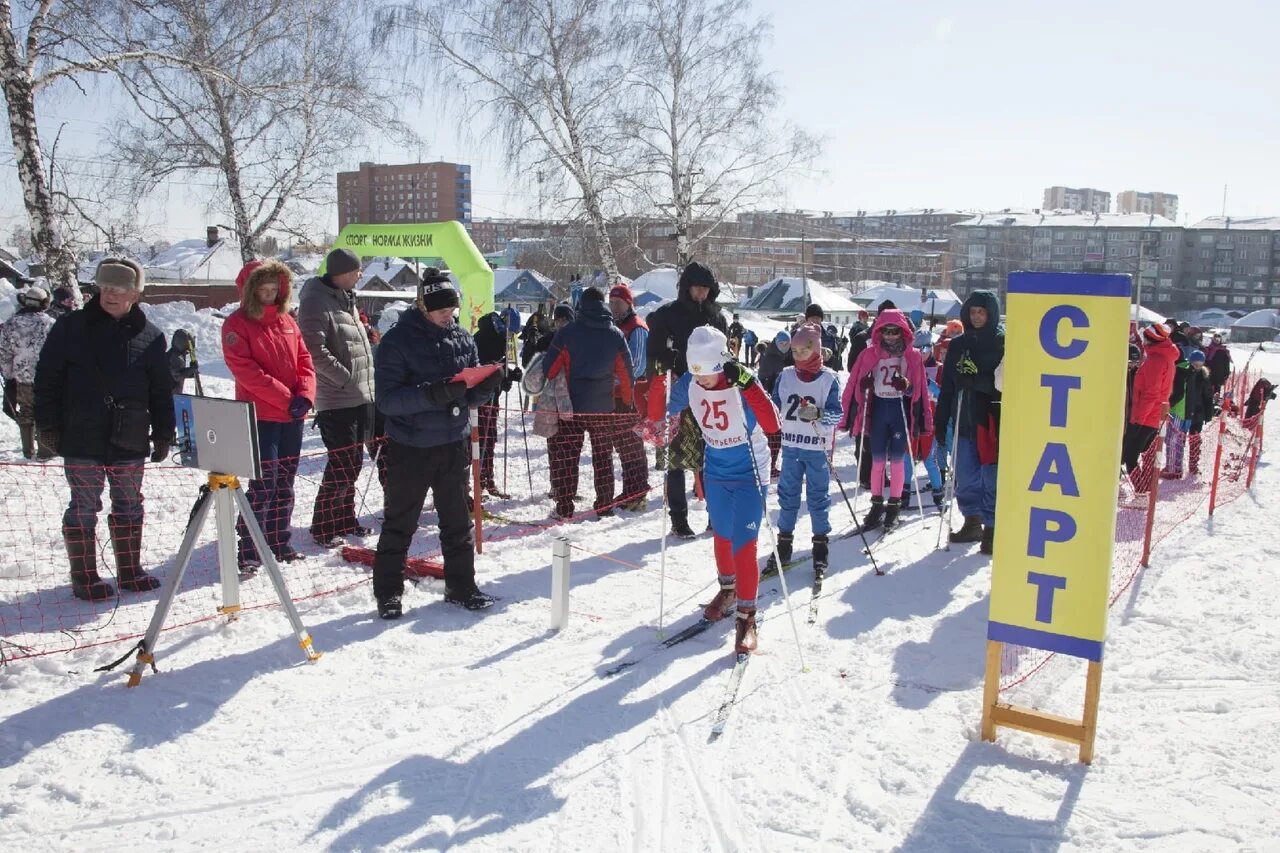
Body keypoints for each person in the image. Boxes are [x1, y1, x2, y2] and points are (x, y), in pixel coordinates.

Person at [33, 258, 173, 600]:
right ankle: (85, 579)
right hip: (82, 434)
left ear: (135, 294)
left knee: (129, 504)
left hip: (131, 436)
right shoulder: (70, 327)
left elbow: (160, 390)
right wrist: (47, 425)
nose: (110, 294)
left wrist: (164, 432)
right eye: (105, 287)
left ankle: (130, 572)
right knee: (83, 505)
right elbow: (47, 379)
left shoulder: (152, 337)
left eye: (119, 289)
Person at [371, 269, 504, 619]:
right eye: (441, 310)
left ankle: (461, 586)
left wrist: (490, 384)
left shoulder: (462, 337)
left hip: (452, 442)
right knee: (400, 524)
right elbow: (386, 401)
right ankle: (388, 594)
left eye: (452, 309)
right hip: (410, 448)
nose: (449, 315)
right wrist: (433, 394)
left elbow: (470, 391)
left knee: (458, 523)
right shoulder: (397, 341)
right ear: (423, 306)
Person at [666, 326, 780, 654]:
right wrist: (660, 406)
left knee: (744, 545)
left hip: (749, 470)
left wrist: (748, 382)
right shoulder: (691, 379)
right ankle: (727, 590)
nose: (701, 382)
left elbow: (773, 425)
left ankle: (747, 616)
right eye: (695, 375)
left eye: (707, 375)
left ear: (721, 366)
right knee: (722, 536)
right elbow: (668, 407)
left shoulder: (742, 381)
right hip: (714, 469)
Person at [222, 260, 316, 571]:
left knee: (286, 481)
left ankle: (279, 540)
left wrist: (305, 393)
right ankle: (250, 547)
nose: (269, 295)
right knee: (265, 483)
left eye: (274, 290)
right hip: (261, 416)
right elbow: (247, 372)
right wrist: (286, 398)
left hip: (292, 416)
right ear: (250, 291)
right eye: (263, 290)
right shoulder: (236, 324)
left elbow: (304, 359)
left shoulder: (287, 320)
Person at [298, 248, 375, 547]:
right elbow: (314, 351)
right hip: (337, 398)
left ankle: (345, 518)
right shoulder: (316, 302)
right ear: (342, 272)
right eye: (357, 270)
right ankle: (324, 525)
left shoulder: (347, 300)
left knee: (353, 463)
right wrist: (346, 379)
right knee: (342, 462)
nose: (360, 275)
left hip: (359, 396)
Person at [645, 261, 728, 538]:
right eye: (697, 288)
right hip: (678, 389)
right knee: (675, 458)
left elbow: (724, 356)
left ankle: (716, 513)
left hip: (710, 393)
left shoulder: (717, 317)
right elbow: (654, 351)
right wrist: (676, 362)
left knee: (713, 455)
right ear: (686, 288)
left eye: (706, 289)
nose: (701, 294)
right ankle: (679, 518)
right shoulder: (667, 314)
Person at [543, 286, 635, 519]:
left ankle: (564, 507)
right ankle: (604, 506)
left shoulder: (567, 333)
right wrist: (627, 399)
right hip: (603, 407)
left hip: (571, 406)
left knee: (568, 456)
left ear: (580, 306)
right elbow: (626, 372)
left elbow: (550, 369)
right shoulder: (615, 334)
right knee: (603, 457)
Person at [847, 310, 931, 532]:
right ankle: (876, 504)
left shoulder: (911, 355)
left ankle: (894, 506)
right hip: (878, 409)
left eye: (895, 331)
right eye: (886, 331)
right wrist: (863, 385)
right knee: (876, 462)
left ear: (903, 331)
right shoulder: (870, 354)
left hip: (898, 410)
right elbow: (855, 382)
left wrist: (907, 385)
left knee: (897, 460)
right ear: (879, 331)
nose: (891, 336)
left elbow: (919, 389)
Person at [934, 290, 1004, 554]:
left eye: (982, 312)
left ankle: (992, 528)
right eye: (973, 312)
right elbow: (948, 386)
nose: (977, 317)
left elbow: (1007, 381)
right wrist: (941, 421)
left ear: (991, 314)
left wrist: (978, 382)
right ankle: (972, 520)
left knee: (990, 476)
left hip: (990, 419)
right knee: (965, 472)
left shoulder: (1001, 342)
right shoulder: (958, 344)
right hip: (963, 416)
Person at [768, 324, 841, 572]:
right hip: (790, 447)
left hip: (816, 449)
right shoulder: (786, 375)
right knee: (787, 497)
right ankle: (784, 544)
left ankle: (820, 545)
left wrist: (818, 413)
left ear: (816, 349)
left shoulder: (829, 379)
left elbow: (837, 416)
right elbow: (773, 406)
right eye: (795, 350)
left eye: (804, 351)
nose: (798, 355)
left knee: (818, 497)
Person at [0, 285, 56, 459]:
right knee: (44, 411)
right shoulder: (49, 323)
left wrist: (9, 376)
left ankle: (28, 450)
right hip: (46, 377)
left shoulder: (11, 324)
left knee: (26, 411)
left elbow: (4, 352)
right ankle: (46, 451)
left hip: (22, 376)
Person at [608, 283, 651, 511]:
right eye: (611, 302)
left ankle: (638, 492)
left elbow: (637, 364)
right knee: (622, 444)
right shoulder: (615, 326)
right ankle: (630, 490)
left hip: (632, 396)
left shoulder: (637, 328)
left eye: (618, 303)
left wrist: (609, 377)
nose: (614, 307)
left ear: (629, 303)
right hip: (615, 396)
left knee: (632, 444)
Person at [1123, 323, 1178, 494]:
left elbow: (1150, 394)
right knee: (1145, 455)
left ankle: (1141, 489)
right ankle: (1146, 488)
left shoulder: (1156, 361)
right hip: (1154, 416)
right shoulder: (1166, 358)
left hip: (1145, 417)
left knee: (1130, 456)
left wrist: (1137, 421)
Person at [473, 311, 520, 498]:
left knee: (489, 439)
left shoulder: (499, 337)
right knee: (479, 441)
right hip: (480, 398)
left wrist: (508, 376)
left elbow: (498, 366)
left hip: (493, 397)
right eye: (511, 332)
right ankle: (476, 483)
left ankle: (487, 479)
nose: (511, 337)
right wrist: (502, 375)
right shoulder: (486, 336)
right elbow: (484, 365)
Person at [1184, 350, 1217, 477]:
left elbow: (1208, 397)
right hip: (1185, 411)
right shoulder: (1186, 374)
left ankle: (1193, 464)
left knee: (1195, 439)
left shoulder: (1204, 377)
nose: (1197, 366)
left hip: (1198, 413)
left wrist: (1208, 414)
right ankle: (1175, 465)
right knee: (1180, 439)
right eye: (1195, 363)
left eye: (1199, 364)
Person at [167, 328, 200, 394]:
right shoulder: (175, 356)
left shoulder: (177, 355)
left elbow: (181, 373)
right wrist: (191, 370)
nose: (187, 351)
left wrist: (191, 372)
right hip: (170, 393)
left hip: (174, 392)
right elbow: (177, 375)